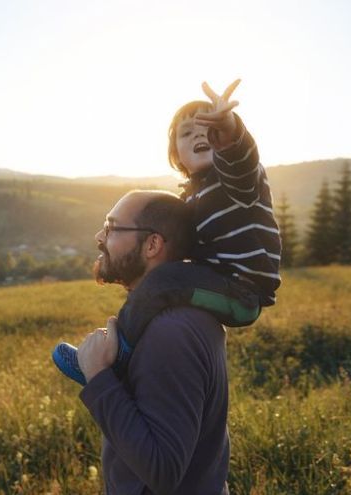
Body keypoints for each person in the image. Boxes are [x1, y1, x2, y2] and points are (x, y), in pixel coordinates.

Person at [53, 79, 282, 385]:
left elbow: (239, 159)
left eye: (209, 129)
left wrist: (228, 130)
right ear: (176, 156)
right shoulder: (190, 199)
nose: (201, 133)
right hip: (216, 283)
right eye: (187, 133)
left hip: (242, 292)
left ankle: (116, 354)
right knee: (158, 276)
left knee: (164, 281)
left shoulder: (236, 182)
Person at [77, 189, 231, 494]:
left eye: (111, 227)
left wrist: (99, 378)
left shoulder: (171, 331)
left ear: (152, 244)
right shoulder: (170, 318)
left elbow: (163, 469)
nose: (99, 236)